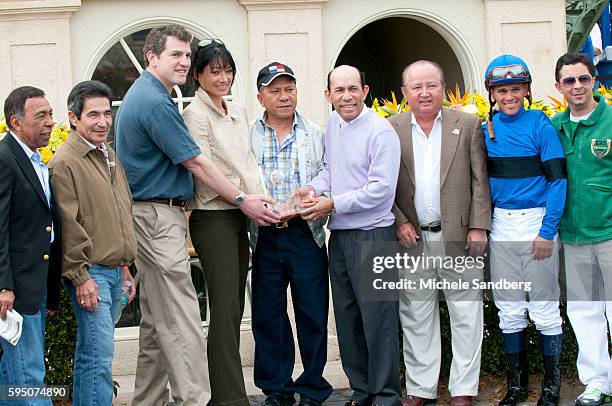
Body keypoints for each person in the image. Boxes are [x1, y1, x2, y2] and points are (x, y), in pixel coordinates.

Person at [115, 25, 278, 406]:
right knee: (184, 320)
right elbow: (197, 163)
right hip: (157, 218)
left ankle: (149, 401)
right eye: (176, 55)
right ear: (151, 56)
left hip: (155, 215)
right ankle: (198, 401)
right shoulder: (156, 102)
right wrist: (243, 199)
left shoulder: (151, 94)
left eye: (186, 55)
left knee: (156, 324)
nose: (184, 62)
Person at [299, 64, 402, 406]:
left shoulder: (381, 131)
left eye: (353, 89)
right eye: (339, 90)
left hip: (374, 236)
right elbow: (330, 170)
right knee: (347, 319)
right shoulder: (333, 124)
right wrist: (312, 190)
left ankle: (386, 396)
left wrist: (332, 204)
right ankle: (362, 392)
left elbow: (382, 191)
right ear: (328, 95)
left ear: (365, 90)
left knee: (379, 322)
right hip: (340, 237)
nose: (347, 96)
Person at [389, 60, 491, 406]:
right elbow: (384, 185)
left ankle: (463, 390)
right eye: (416, 87)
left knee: (466, 314)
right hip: (412, 238)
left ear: (443, 88)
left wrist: (479, 224)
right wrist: (399, 219)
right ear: (405, 93)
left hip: (460, 237)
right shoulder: (391, 129)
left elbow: (481, 179)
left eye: (431, 85)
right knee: (417, 315)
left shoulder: (468, 124)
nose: (424, 92)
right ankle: (420, 389)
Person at [182, 40, 264, 406]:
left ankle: (229, 393)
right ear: (198, 75)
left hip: (240, 215)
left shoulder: (235, 110)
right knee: (225, 308)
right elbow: (203, 170)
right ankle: (228, 398)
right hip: (213, 217)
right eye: (214, 71)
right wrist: (245, 199)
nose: (223, 77)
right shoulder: (194, 115)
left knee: (233, 310)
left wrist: (263, 203)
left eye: (227, 70)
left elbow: (246, 163)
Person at [483, 55, 566, 406]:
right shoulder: (484, 128)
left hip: (537, 224)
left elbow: (558, 181)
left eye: (515, 89)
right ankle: (516, 385)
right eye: (502, 90)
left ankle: (551, 386)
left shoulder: (540, 125)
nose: (509, 96)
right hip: (501, 226)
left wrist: (547, 231)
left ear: (526, 90)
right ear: (493, 94)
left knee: (545, 307)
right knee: (509, 308)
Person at [48, 80, 137, 406]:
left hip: (114, 271)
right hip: (91, 274)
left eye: (107, 113)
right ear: (73, 118)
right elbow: (67, 226)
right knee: (98, 356)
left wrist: (126, 267)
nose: (103, 121)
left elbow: (119, 213)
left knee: (95, 353)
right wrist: (80, 277)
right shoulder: (65, 163)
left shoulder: (107, 154)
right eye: (93, 115)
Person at [250, 62, 332, 406]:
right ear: (261, 97)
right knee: (268, 315)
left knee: (312, 313)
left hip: (305, 233)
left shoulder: (315, 132)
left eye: (289, 89)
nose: (284, 97)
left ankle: (312, 385)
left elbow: (329, 169)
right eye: (275, 90)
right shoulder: (248, 134)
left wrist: (316, 194)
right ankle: (277, 388)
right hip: (265, 236)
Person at [551, 52, 612, 406]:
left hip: (608, 232)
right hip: (572, 236)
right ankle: (596, 382)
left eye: (583, 78)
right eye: (569, 80)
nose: (577, 86)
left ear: (595, 81)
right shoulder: (555, 127)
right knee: (584, 311)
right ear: (558, 86)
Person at [0, 86, 62, 406]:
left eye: (50, 114)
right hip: (16, 291)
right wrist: (4, 287)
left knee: (14, 378)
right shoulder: (4, 158)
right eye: (41, 116)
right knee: (29, 378)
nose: (51, 122)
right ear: (16, 122)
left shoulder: (37, 160)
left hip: (35, 285)